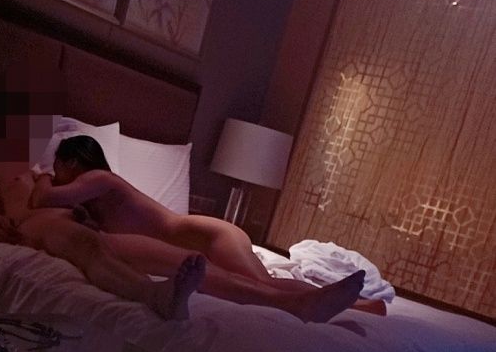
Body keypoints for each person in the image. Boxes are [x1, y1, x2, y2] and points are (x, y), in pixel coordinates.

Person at [28, 135, 379, 321]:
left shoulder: (96, 179)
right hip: (202, 235)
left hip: (209, 236)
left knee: (262, 283)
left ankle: (343, 305)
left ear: (70, 161)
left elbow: (42, 199)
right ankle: (362, 307)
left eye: (58, 167)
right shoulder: (95, 197)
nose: (56, 174)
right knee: (263, 281)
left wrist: (41, 175)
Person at [0, 156, 204, 321]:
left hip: (70, 224)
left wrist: (82, 216)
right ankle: (154, 295)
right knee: (89, 247)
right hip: (35, 225)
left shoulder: (35, 173)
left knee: (108, 249)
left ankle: (166, 288)